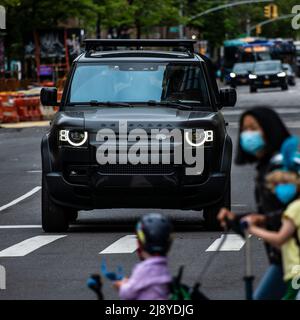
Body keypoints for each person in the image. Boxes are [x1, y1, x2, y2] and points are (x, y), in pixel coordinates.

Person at [219, 107, 291, 300]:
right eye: (245, 129)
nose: (247, 134)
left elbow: (291, 212)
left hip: (291, 259)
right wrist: (238, 219)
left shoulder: (281, 168)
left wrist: (258, 219)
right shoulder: (266, 166)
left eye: (254, 128)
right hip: (282, 258)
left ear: (269, 130)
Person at [243, 166, 300, 300]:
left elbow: (280, 239)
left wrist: (252, 229)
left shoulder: (294, 209)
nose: (281, 188)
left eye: (285, 183)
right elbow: (286, 244)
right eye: (277, 185)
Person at [113, 213, 173, 300]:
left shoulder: (144, 269)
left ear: (140, 244)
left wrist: (121, 285)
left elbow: (128, 293)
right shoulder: (163, 267)